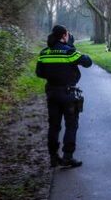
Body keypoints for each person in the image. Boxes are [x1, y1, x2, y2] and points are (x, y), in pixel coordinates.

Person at [36, 25, 92, 168]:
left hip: (52, 93)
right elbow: (88, 62)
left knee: (54, 126)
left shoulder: (44, 53)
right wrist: (73, 48)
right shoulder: (69, 52)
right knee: (71, 125)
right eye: (67, 35)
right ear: (64, 36)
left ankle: (53, 158)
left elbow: (39, 73)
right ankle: (68, 156)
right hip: (68, 94)